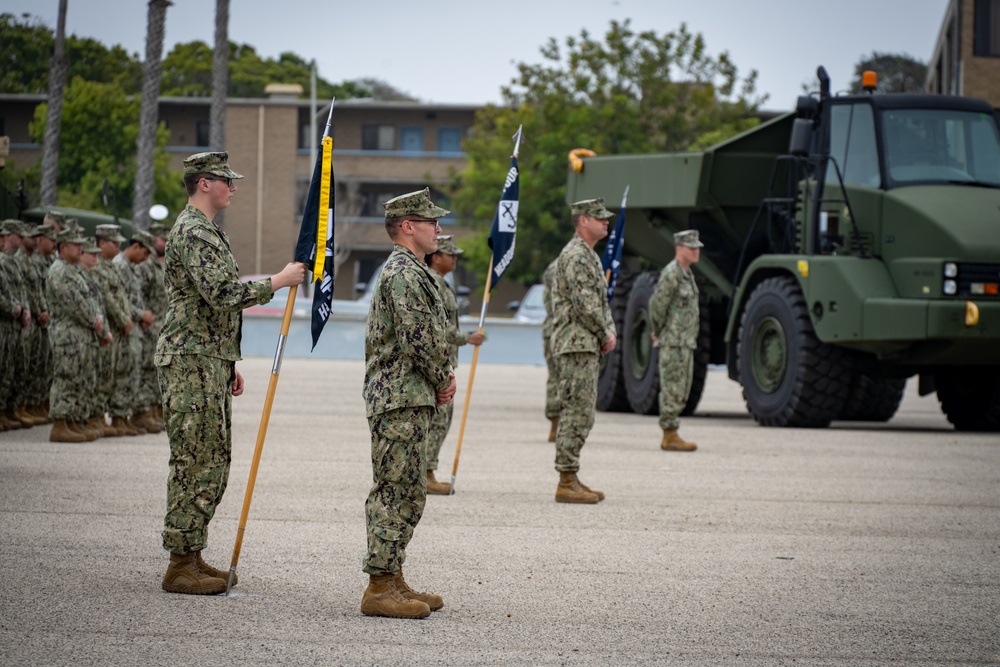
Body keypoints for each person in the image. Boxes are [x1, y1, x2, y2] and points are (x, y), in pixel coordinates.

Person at [156, 151, 306, 595]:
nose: (233, 187)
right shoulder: (193, 231)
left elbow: (210, 306)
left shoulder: (208, 231)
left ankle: (193, 554)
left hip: (208, 358)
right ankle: (180, 563)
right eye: (226, 180)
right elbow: (221, 293)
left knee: (212, 460)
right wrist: (278, 281)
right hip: (190, 359)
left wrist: (229, 361)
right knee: (195, 460)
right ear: (204, 183)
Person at [361, 188, 456, 619]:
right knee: (395, 489)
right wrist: (442, 378)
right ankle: (379, 587)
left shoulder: (414, 270)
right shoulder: (402, 273)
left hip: (408, 395)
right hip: (398, 396)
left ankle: (393, 575)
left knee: (409, 490)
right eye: (430, 221)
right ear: (407, 227)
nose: (439, 229)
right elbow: (418, 338)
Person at [550, 199, 617, 504]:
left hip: (584, 343)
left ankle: (572, 475)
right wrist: (604, 332)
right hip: (576, 344)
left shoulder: (587, 255)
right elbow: (585, 304)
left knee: (583, 412)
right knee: (576, 412)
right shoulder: (576, 255)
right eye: (600, 218)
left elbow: (600, 302)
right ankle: (566, 480)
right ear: (583, 221)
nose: (607, 222)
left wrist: (608, 330)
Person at [422, 234, 484, 495]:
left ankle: (427, 470)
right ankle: (425, 473)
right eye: (451, 254)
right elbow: (437, 327)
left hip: (445, 361)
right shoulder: (433, 282)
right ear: (437, 257)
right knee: (437, 421)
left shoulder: (443, 283)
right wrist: (466, 337)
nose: (455, 259)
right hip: (436, 363)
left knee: (441, 420)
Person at [46, 228, 105, 443]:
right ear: (63, 247)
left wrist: (96, 321)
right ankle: (60, 424)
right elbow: (74, 303)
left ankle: (72, 421)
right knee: (66, 377)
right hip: (67, 335)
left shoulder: (71, 270)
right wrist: (94, 321)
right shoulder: (59, 271)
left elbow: (87, 300)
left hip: (78, 335)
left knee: (78, 378)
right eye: (75, 244)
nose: (81, 247)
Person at [649, 229, 703, 452]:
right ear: (679, 249)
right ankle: (669, 434)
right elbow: (658, 304)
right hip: (673, 340)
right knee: (672, 387)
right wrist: (657, 330)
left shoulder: (686, 274)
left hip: (685, 341)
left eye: (697, 248)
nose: (696, 251)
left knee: (681, 388)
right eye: (692, 248)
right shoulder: (672, 273)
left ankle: (672, 432)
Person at [541, 257, 559, 442]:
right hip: (558, 329)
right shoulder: (560, 267)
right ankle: (556, 424)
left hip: (552, 329)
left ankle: (556, 423)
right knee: (558, 378)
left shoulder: (553, 266)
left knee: (555, 378)